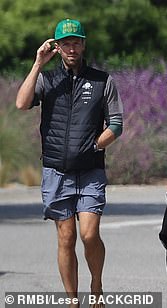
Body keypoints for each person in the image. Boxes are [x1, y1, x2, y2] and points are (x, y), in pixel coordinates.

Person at [16, 18, 124, 308]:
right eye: (66, 43)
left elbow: (116, 122)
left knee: (89, 235)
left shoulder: (102, 80)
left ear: (84, 44)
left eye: (76, 41)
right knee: (66, 238)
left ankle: (97, 286)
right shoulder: (47, 79)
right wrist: (38, 63)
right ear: (57, 47)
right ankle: (73, 300)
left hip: (90, 170)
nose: (71, 47)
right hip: (55, 171)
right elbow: (22, 103)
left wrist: (98, 143)